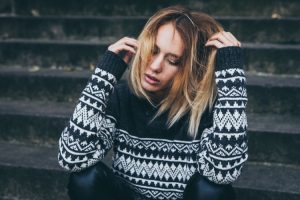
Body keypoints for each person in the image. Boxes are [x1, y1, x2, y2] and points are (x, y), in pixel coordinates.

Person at [58, 5, 248, 200]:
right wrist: (103, 77)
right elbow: (72, 158)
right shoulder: (121, 97)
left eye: (173, 60)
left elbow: (223, 173)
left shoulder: (209, 109)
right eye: (153, 50)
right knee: (85, 179)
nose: (155, 66)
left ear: (193, 70)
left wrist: (232, 83)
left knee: (211, 190)